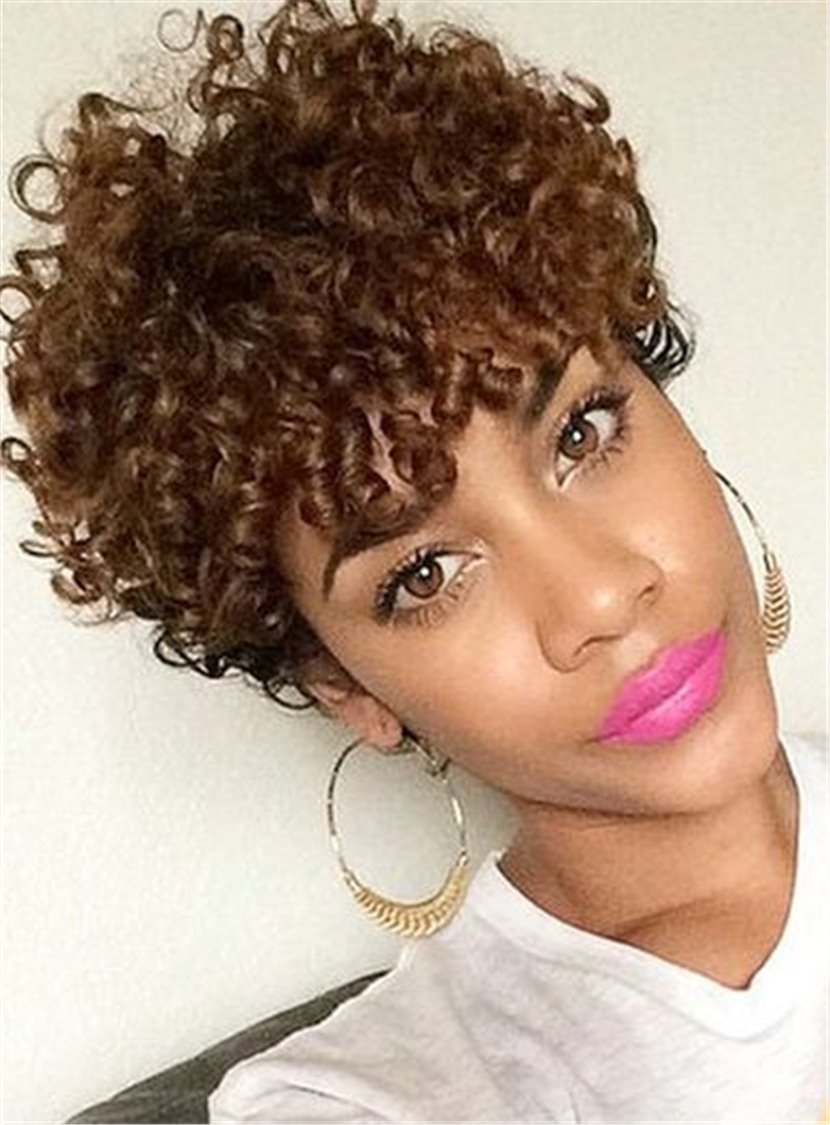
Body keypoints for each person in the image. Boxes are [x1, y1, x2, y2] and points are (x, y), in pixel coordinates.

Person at [1, 0, 825, 1122]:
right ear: (348, 688)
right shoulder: (361, 1099)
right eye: (425, 574)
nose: (596, 593)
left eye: (581, 433)